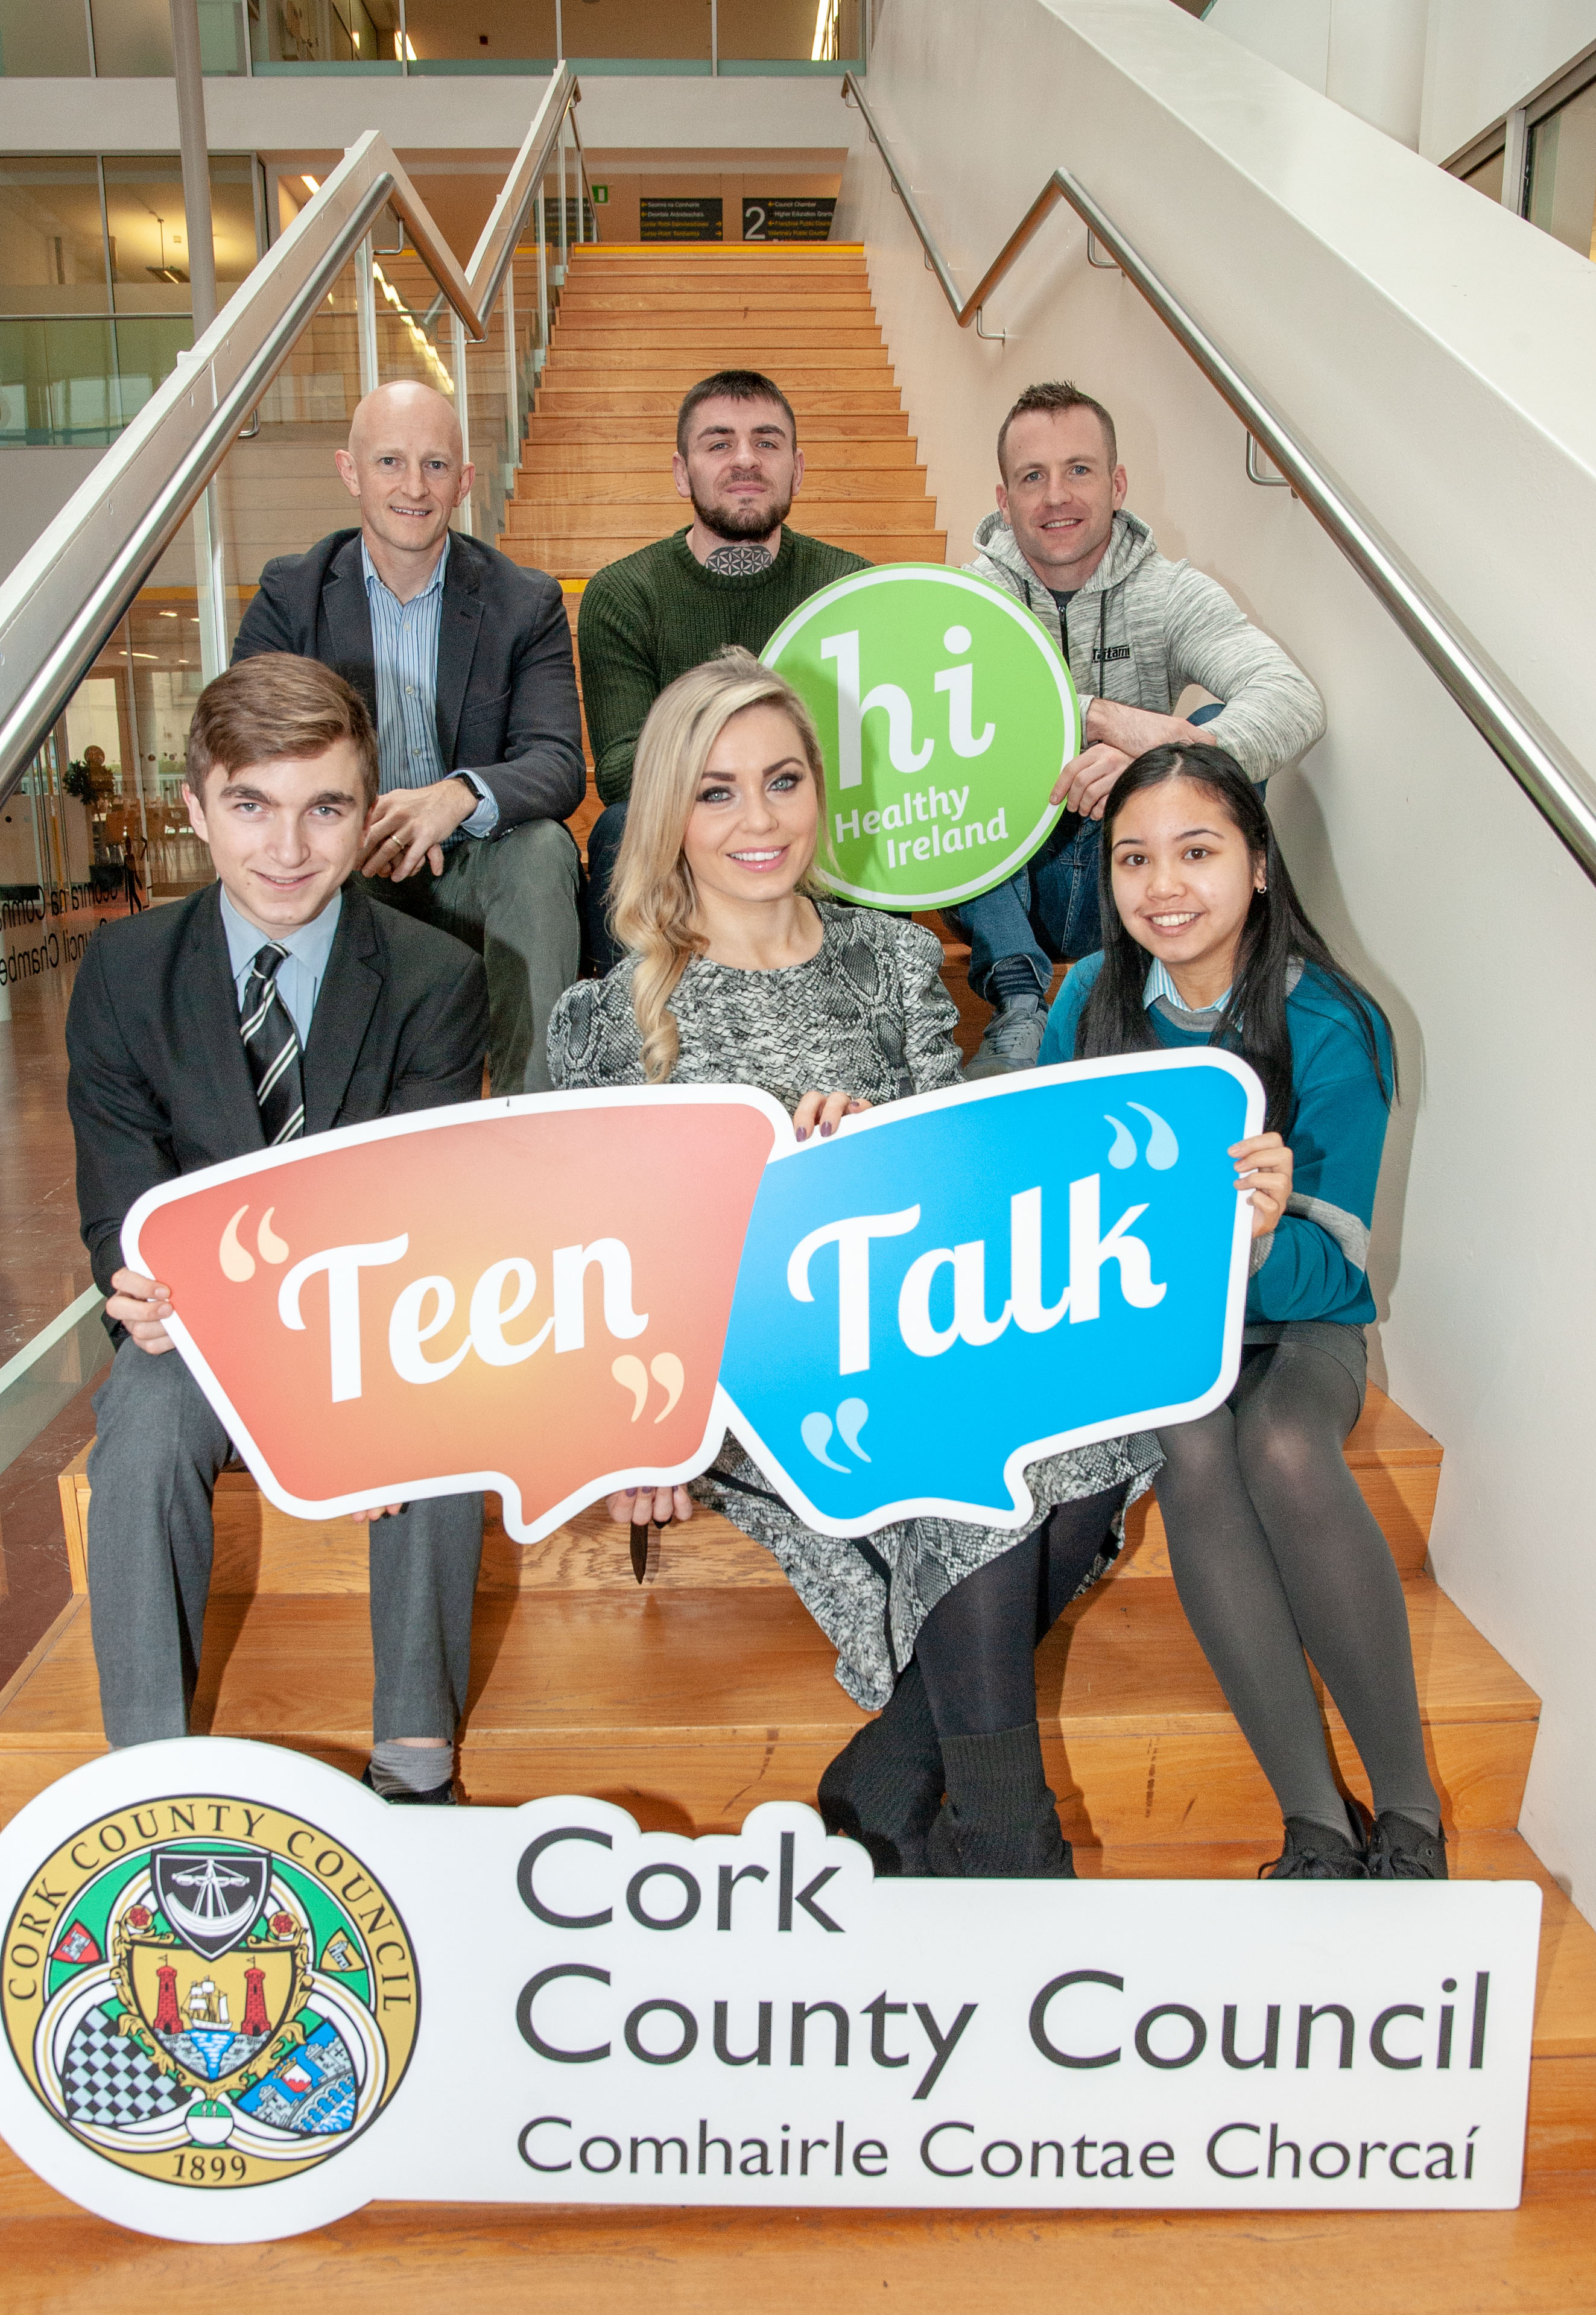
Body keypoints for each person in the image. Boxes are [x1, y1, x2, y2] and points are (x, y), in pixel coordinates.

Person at [549, 649, 1161, 1876]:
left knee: (1090, 1427)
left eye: (784, 780)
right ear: (669, 811)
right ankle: (1004, 1831)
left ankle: (904, 1770)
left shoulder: (888, 956)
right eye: (717, 790)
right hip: (749, 1369)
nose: (760, 819)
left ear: (821, 789)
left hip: (912, 1317)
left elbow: (957, 1189)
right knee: (974, 1457)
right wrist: (633, 1436)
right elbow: (604, 1260)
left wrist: (877, 1154)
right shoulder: (608, 1014)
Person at [66, 654, 493, 1804]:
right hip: (200, 1325)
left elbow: (419, 1209)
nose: (288, 848)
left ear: (369, 811)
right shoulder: (122, 971)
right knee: (143, 1427)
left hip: (373, 1316)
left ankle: (416, 1762)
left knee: (435, 1419)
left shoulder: (435, 977)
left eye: (326, 808)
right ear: (196, 807)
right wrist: (130, 1278)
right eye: (251, 805)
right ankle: (144, 1774)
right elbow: (121, 1191)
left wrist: (350, 1392)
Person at [1042, 740, 1446, 1881]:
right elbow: (1049, 1202)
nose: (1162, 886)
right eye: (1133, 858)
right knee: (1188, 1435)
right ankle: (1314, 1820)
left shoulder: (1333, 1019)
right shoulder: (1085, 999)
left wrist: (1257, 1237)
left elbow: (1341, 1272)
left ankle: (1410, 1813)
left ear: (1259, 865)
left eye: (1197, 851)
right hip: (1153, 1328)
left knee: (1281, 1442)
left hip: (1296, 1319)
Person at [955, 379, 1325, 1077]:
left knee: (1210, 737)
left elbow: (1291, 699)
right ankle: (1020, 1005)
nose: (1056, 496)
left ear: (1117, 484)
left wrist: (1154, 766)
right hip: (1009, 883)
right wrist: (1097, 716)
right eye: (1033, 477)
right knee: (943, 751)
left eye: (1079, 470)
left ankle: (1168, 989)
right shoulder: (965, 600)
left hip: (1125, 868)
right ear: (1003, 500)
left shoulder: (1167, 592)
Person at [232, 379, 584, 1095]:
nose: (415, 487)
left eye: (435, 465)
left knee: (545, 849)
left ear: (464, 481)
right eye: (390, 462)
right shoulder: (291, 596)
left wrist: (454, 798)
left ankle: (530, 1121)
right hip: (349, 858)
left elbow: (556, 763)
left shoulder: (524, 601)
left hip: (477, 858)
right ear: (350, 472)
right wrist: (344, 822)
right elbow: (248, 750)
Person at [576, 369, 870, 969]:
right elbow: (620, 772)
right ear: (682, 471)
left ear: (797, 468)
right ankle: (637, 1017)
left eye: (766, 442)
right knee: (619, 826)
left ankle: (873, 1001)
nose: (745, 460)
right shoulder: (624, 593)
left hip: (818, 823)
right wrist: (736, 776)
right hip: (693, 835)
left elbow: (876, 755)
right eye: (718, 444)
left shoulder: (853, 586)